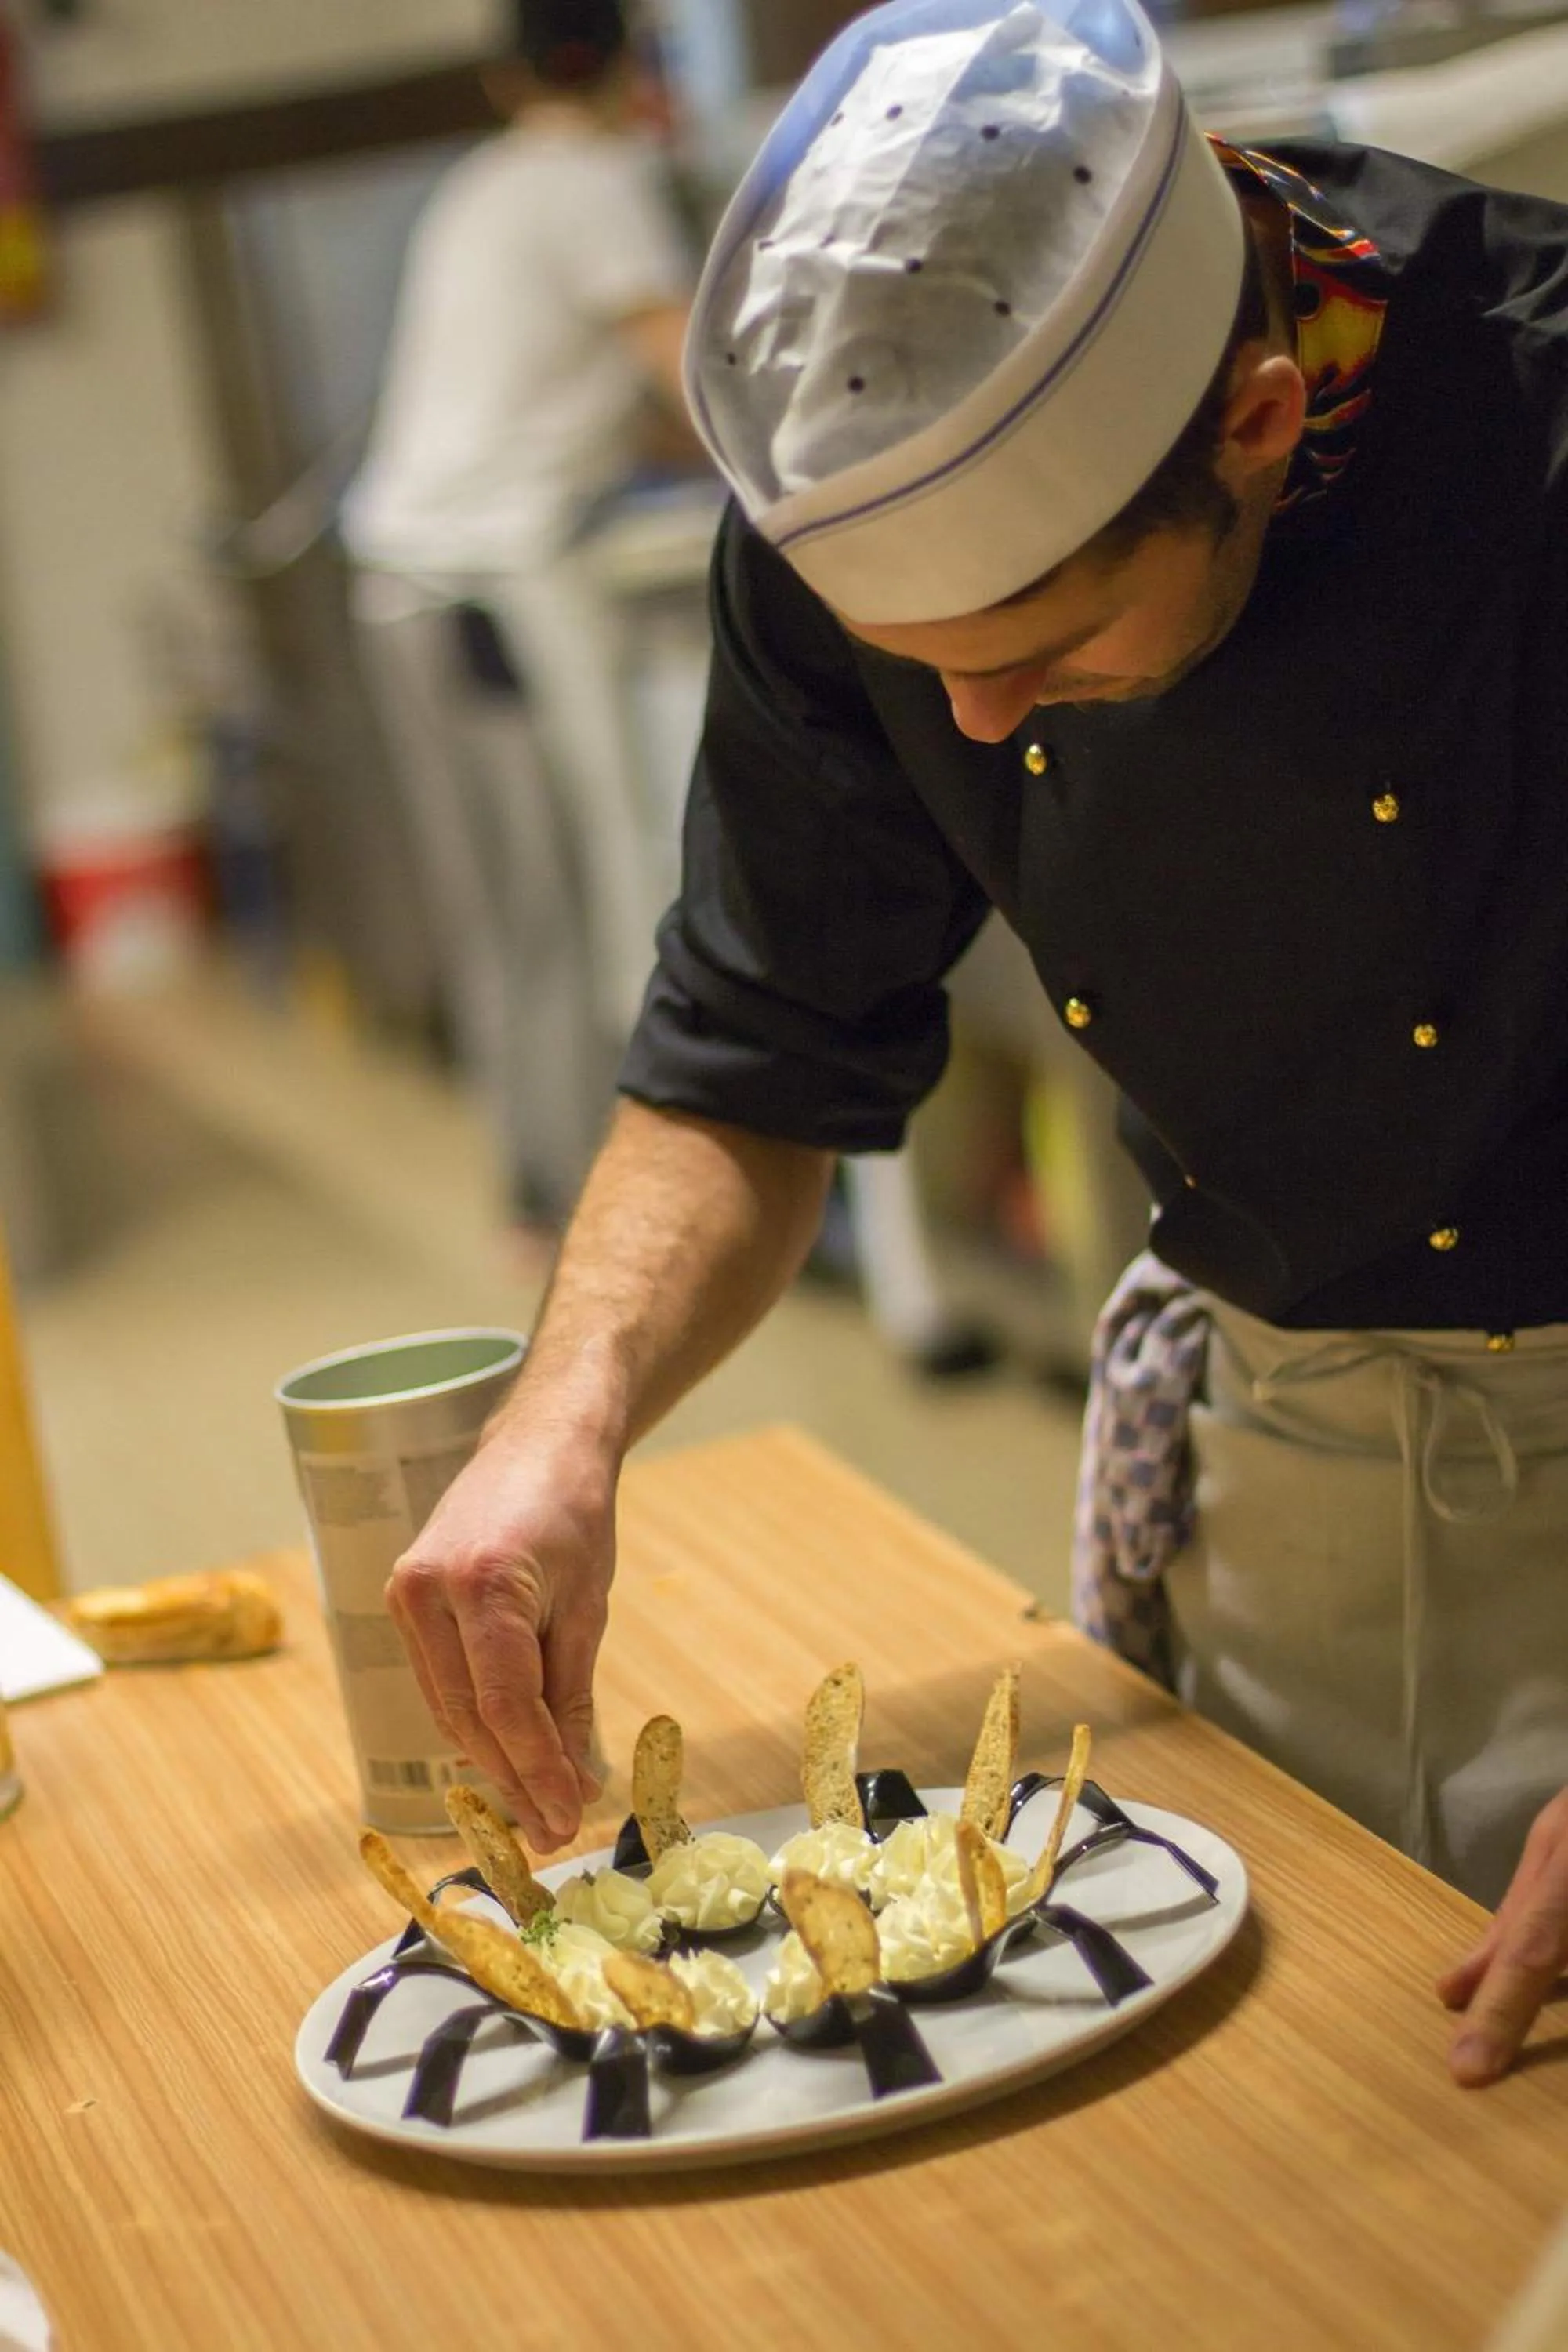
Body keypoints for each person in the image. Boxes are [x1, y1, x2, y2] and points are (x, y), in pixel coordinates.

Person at [384, 0, 1568, 2088]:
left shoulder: (1541, 429)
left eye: (1042, 651)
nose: (986, 729)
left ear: (1263, 426)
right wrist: (564, 1424)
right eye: (928, 671)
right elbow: (753, 1044)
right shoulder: (844, 515)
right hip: (1275, 1470)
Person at [342, 0, 696, 1236]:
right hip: (476, 590)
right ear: (628, 65)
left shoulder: (486, 185)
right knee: (561, 895)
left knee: (510, 909)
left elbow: (603, 392)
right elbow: (688, 374)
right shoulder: (592, 181)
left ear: (507, 78)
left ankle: (542, 1189)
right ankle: (569, 1200)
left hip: (409, 581)